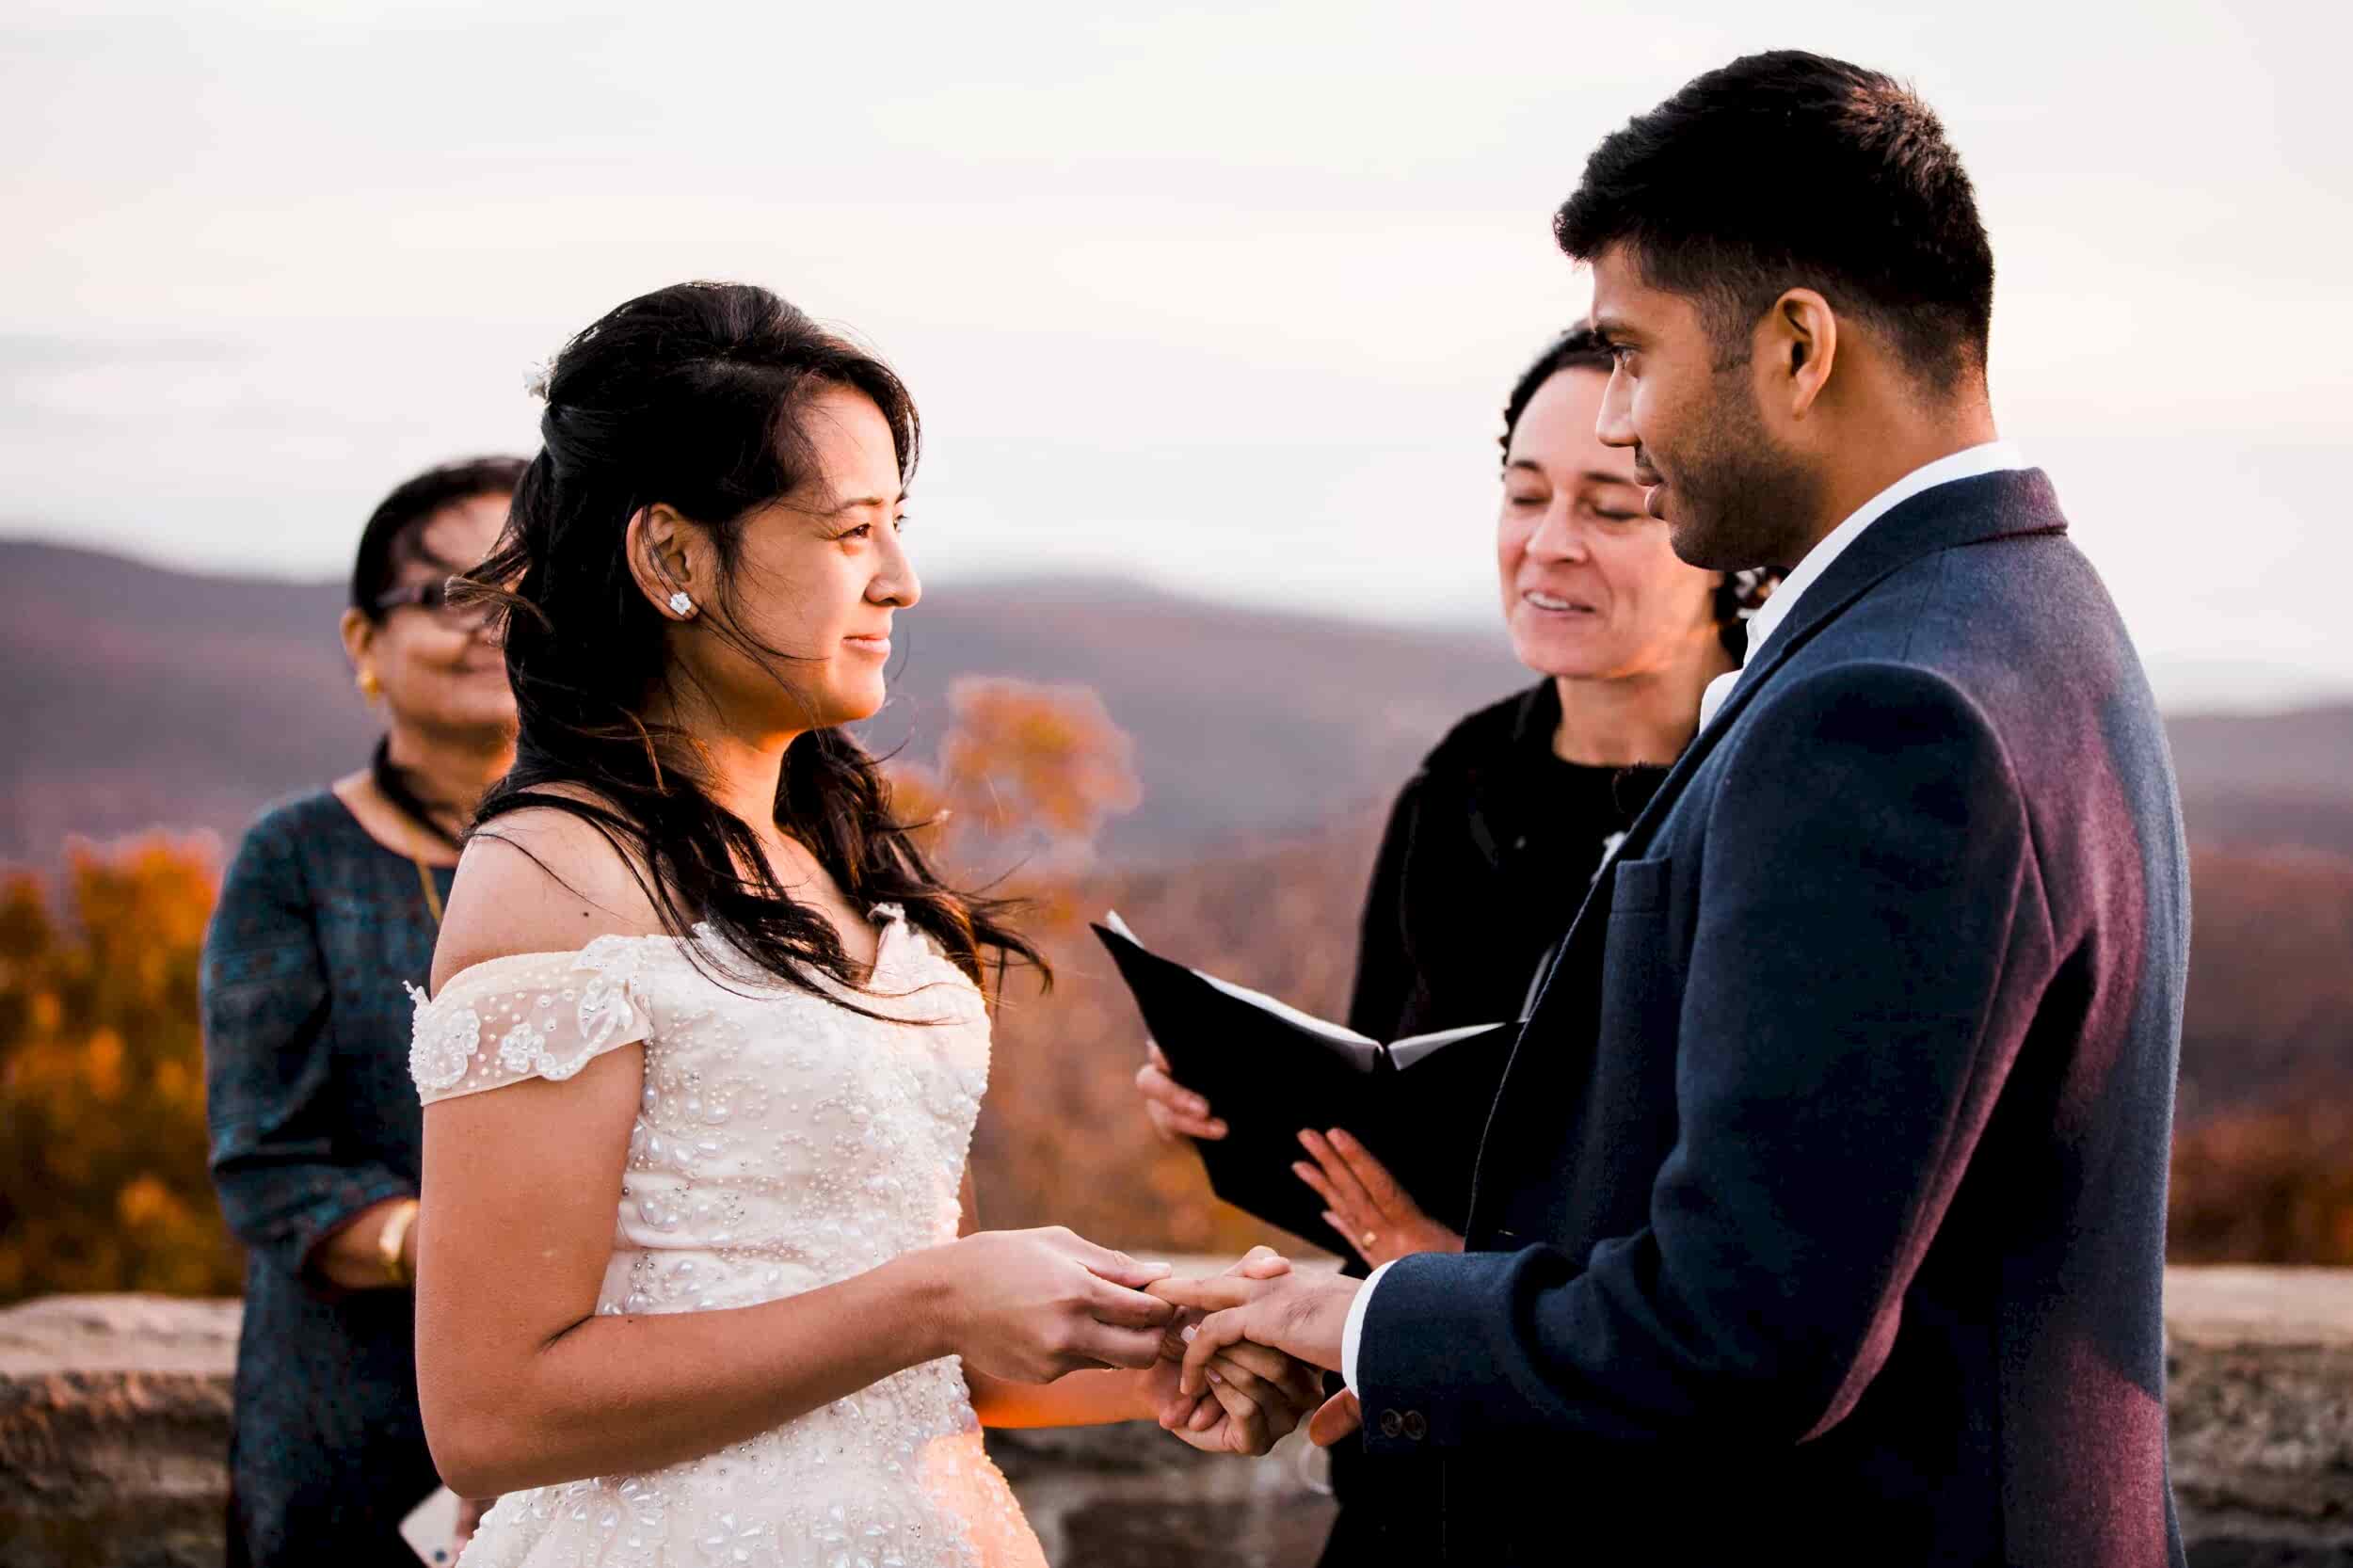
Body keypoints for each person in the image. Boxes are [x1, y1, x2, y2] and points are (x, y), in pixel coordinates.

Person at [1159, 50, 2192, 1566]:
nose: (1628, 418)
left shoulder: (1887, 710)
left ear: (1795, 348)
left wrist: (1374, 1315)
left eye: (1636, 355)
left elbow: (1746, 1329)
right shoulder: (2028, 607)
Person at [405, 281, 1322, 1568]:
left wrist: (1175, 1344)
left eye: (897, 524)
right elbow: (491, 1413)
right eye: (851, 531)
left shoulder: (840, 856)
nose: (903, 577)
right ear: (671, 555)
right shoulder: (555, 876)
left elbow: (911, 1355)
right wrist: (935, 1296)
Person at [1133, 325, 1764, 1561]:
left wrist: (1453, 1273)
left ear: (1714, 542)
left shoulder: (1769, 788)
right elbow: (1387, 1092)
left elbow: (1750, 1242)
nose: (1551, 543)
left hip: (1636, 1502)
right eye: (1525, 495)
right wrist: (1253, 1110)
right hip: (1415, 1484)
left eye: (1614, 506)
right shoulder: (1460, 788)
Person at [202, 456, 525, 1565]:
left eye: (523, 587)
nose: (489, 623)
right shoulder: (294, 858)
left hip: (592, 1413)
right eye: (446, 593)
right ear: (363, 645)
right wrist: (448, 1244)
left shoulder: (630, 855)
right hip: (356, 1411)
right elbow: (267, 1162)